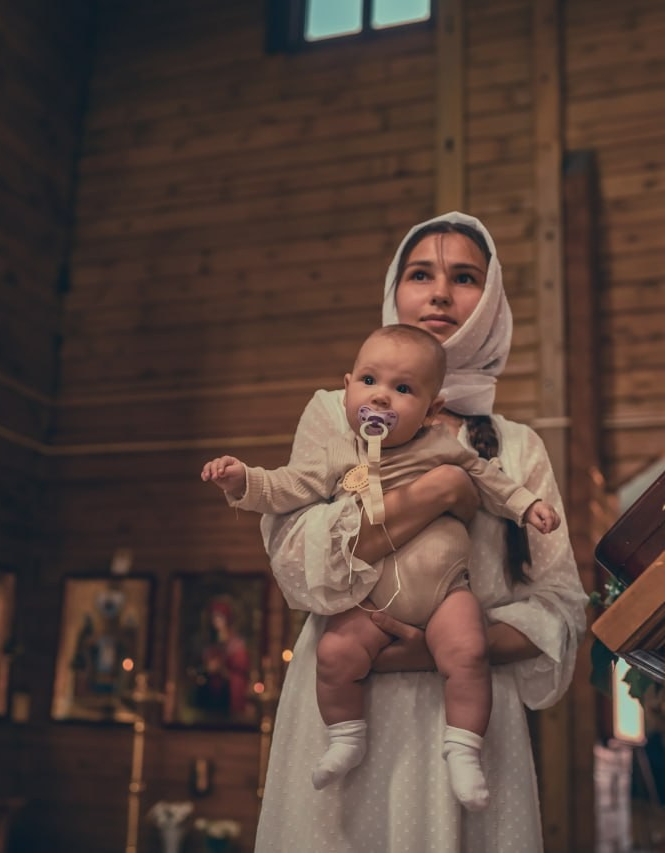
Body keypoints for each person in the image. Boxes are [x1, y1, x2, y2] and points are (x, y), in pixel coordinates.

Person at [251, 211, 588, 852]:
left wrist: (445, 647)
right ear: (394, 289)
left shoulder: (517, 448)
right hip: (340, 700)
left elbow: (562, 607)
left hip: (469, 715)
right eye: (420, 275)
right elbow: (296, 562)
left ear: (490, 301)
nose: (439, 294)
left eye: (463, 277)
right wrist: (437, 492)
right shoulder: (337, 412)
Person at [202, 324, 560, 809]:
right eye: (369, 381)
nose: (381, 396)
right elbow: (287, 486)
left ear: (431, 411)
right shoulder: (338, 453)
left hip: (445, 593)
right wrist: (242, 481)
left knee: (469, 649)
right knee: (334, 654)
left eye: (403, 389)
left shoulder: (439, 445)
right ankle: (346, 737)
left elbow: (488, 479)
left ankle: (464, 749)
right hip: (370, 599)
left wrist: (527, 506)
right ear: (347, 387)